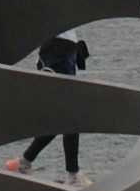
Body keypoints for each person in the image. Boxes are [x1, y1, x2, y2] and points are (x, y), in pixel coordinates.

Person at [14, 32, 91, 179]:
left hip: (64, 51)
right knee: (68, 115)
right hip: (57, 52)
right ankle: (72, 173)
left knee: (64, 116)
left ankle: (25, 161)